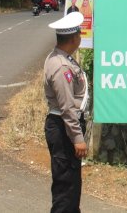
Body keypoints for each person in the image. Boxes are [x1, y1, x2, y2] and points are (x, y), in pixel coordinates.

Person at [43, 12, 90, 212]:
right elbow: (67, 107)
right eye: (79, 34)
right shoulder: (62, 66)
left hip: (65, 126)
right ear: (74, 38)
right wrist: (77, 137)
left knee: (71, 186)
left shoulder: (62, 58)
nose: (80, 38)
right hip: (64, 128)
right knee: (66, 187)